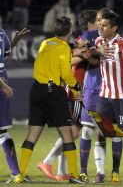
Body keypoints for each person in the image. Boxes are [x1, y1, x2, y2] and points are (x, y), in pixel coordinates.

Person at [18, 16, 83, 184]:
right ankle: (75, 176)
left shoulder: (45, 43)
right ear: (69, 31)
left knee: (32, 135)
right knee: (67, 135)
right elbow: (66, 73)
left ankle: (21, 174)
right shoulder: (64, 48)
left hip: (36, 90)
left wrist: (74, 47)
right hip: (53, 91)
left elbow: (59, 48)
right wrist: (76, 88)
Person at [37, 10, 96, 181]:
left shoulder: (84, 41)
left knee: (72, 131)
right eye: (97, 21)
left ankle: (62, 171)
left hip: (78, 90)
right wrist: (86, 55)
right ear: (90, 24)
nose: (99, 24)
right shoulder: (81, 41)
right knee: (74, 131)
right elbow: (68, 62)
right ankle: (47, 161)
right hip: (76, 91)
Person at [88, 11, 123, 185]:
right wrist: (97, 51)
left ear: (114, 28)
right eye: (100, 24)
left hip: (122, 96)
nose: (100, 28)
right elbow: (92, 57)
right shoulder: (98, 41)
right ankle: (100, 173)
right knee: (101, 133)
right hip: (104, 96)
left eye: (104, 25)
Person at [0, 27, 29, 183]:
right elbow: (4, 55)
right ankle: (16, 173)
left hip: (2, 85)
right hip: (2, 82)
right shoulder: (2, 32)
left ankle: (16, 173)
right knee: (2, 132)